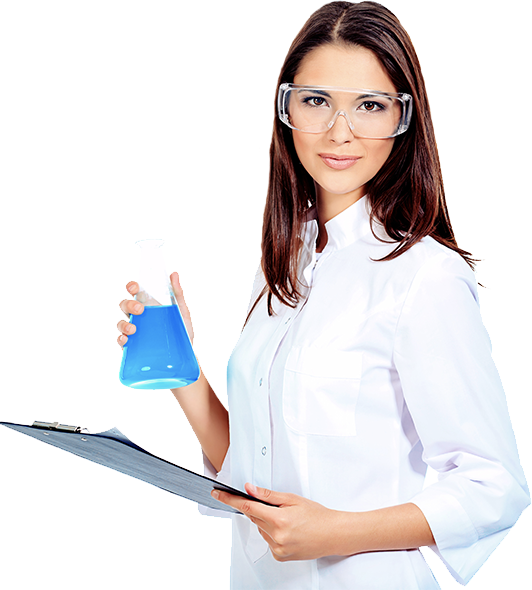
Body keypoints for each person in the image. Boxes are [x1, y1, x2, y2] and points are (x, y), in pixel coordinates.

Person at [116, 2, 530, 588]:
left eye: (370, 105)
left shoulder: (424, 276)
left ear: (404, 118)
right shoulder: (284, 260)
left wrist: (336, 532)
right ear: (286, 110)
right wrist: (181, 364)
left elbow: (495, 487)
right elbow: (253, 470)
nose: (340, 131)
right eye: (316, 101)